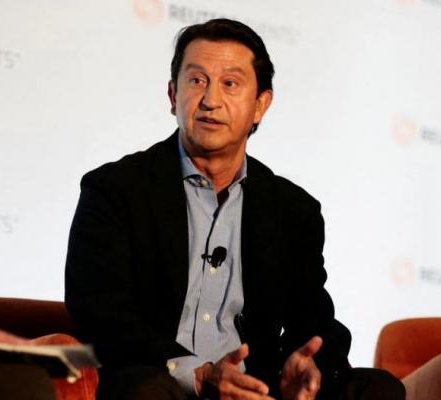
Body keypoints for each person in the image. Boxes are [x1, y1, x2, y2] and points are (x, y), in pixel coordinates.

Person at [65, 18, 402, 400]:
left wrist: (305, 370)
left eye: (230, 84)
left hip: (255, 389)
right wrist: (198, 375)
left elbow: (315, 322)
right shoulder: (115, 190)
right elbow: (99, 313)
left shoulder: (293, 210)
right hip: (161, 382)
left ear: (261, 105)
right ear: (173, 95)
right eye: (197, 81)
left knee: (378, 388)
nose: (210, 100)